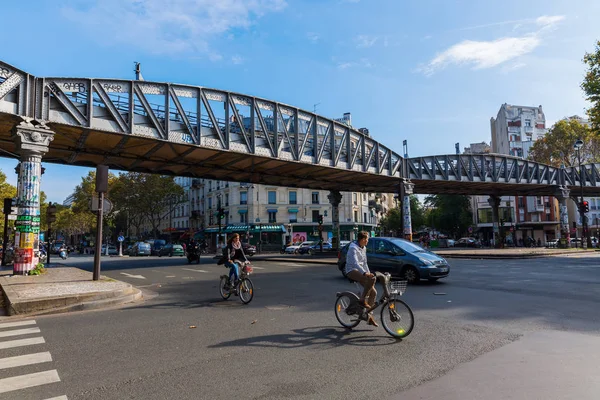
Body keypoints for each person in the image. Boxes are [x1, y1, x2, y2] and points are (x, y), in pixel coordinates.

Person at [344, 231, 378, 327]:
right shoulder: (353, 248)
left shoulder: (364, 248)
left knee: (373, 292)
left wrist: (369, 273)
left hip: (361, 270)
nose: (367, 241)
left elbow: (364, 262)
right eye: (367, 239)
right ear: (362, 239)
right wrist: (364, 273)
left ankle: (368, 316)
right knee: (368, 282)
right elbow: (355, 263)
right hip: (351, 270)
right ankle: (362, 299)